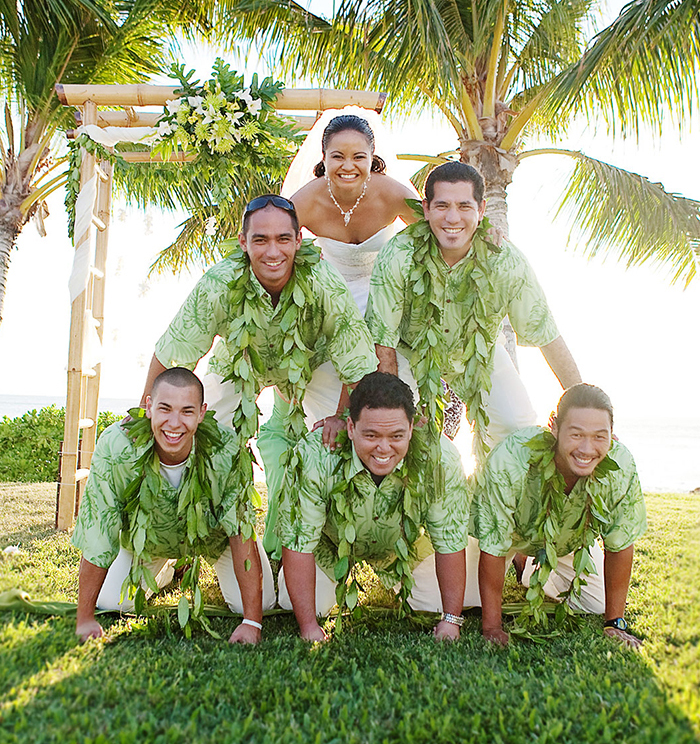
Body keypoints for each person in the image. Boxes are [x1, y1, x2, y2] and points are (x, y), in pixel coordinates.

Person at [142, 195, 378, 556]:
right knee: (194, 437)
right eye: (260, 240)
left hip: (312, 365)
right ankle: (179, 538)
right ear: (243, 242)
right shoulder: (220, 282)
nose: (273, 251)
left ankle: (337, 540)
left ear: (298, 240)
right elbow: (173, 352)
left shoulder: (323, 280)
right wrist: (146, 416)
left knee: (349, 435)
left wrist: (340, 415)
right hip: (238, 363)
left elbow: (356, 358)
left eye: (283, 239)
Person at [284, 111, 541, 442]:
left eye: (358, 156)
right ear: (324, 158)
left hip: (387, 290)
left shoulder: (391, 192)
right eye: (338, 156)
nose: (348, 165)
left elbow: (439, 224)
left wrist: (482, 231)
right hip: (333, 295)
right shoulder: (305, 199)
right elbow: (274, 240)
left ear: (372, 158)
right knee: (327, 363)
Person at [366, 160, 582, 455]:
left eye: (464, 206)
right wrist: (396, 408)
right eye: (442, 206)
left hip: (481, 352)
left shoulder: (505, 260)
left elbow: (545, 334)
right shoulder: (399, 255)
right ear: (426, 209)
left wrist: (583, 406)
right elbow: (383, 341)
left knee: (518, 432)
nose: (452, 217)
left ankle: (490, 483)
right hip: (410, 353)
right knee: (409, 437)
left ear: (481, 210)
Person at [72, 368, 276, 644]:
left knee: (262, 604)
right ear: (148, 406)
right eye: (165, 409)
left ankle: (205, 569)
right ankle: (168, 571)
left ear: (202, 413)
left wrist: (252, 622)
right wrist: (84, 618)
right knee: (112, 602)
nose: (175, 423)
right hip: (148, 541)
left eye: (187, 411)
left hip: (213, 540)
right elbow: (99, 529)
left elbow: (240, 531)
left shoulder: (227, 449)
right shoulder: (116, 446)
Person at [277, 371, 472, 642]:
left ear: (412, 427)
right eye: (371, 435)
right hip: (331, 548)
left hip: (404, 549)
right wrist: (309, 627)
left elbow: (449, 539)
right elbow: (299, 541)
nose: (383, 448)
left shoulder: (441, 458)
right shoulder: (314, 454)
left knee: (434, 606)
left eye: (396, 435)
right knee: (296, 603)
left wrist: (451, 621)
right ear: (350, 427)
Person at [472, 383, 647, 648]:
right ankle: (520, 556)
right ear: (553, 427)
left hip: (566, 540)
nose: (587, 448)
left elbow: (620, 542)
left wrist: (614, 623)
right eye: (576, 434)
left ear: (612, 433)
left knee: (595, 603)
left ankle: (529, 568)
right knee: (466, 601)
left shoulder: (620, 465)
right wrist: (492, 627)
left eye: (599, 436)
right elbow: (493, 542)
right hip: (507, 536)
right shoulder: (510, 458)